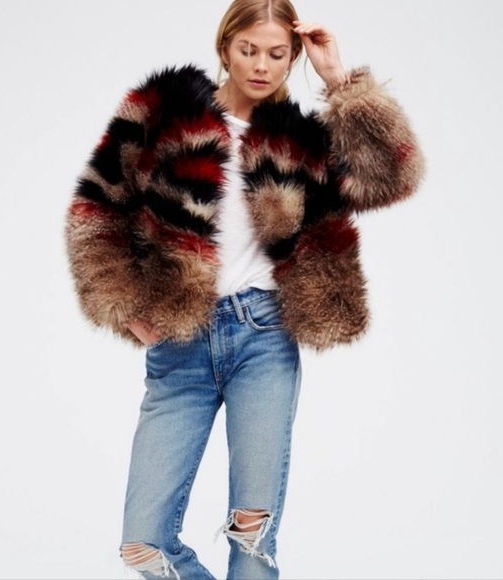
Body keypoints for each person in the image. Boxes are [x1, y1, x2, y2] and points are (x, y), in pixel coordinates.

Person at [64, 0, 425, 577]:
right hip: (179, 343)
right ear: (225, 48)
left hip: (265, 338)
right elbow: (96, 205)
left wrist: (339, 79)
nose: (261, 65)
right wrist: (123, 305)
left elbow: (394, 176)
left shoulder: (300, 141)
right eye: (248, 50)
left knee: (253, 534)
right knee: (143, 544)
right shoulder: (164, 111)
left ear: (292, 58)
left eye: (277, 54)